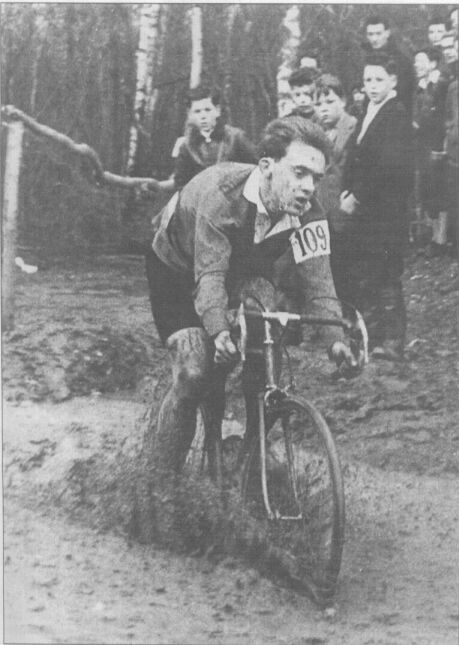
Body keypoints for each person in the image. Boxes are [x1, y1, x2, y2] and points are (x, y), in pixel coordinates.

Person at [145, 116, 355, 474]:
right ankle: (160, 481)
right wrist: (218, 330)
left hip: (244, 269)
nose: (308, 187)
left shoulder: (309, 211)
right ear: (267, 167)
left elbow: (319, 280)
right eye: (299, 172)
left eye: (316, 178)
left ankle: (251, 460)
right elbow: (210, 275)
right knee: (195, 371)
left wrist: (335, 339)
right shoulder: (223, 196)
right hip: (177, 268)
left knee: (264, 355)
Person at [339, 52, 414, 361]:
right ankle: (373, 336)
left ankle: (393, 341)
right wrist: (346, 188)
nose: (372, 85)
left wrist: (357, 196)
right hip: (367, 213)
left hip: (386, 213)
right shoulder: (367, 110)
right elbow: (355, 156)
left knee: (386, 274)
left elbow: (386, 166)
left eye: (379, 79)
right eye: (368, 79)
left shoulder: (396, 114)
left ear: (393, 81)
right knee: (366, 272)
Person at [173, 85, 257, 191]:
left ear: (217, 111)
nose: (203, 116)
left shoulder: (235, 137)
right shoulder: (187, 146)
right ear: (190, 115)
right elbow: (181, 183)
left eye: (207, 110)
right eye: (197, 112)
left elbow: (255, 168)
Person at [413, 48, 450, 256]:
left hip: (437, 145)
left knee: (440, 192)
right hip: (422, 146)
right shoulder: (419, 89)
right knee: (428, 191)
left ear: (433, 64)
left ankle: (441, 239)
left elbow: (444, 116)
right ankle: (435, 237)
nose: (416, 65)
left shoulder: (440, 86)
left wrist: (443, 144)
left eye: (421, 61)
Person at [362, 15, 415, 117]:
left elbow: (405, 95)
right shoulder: (366, 59)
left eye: (378, 34)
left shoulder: (401, 60)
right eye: (370, 34)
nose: (374, 39)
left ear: (387, 33)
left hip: (394, 115)